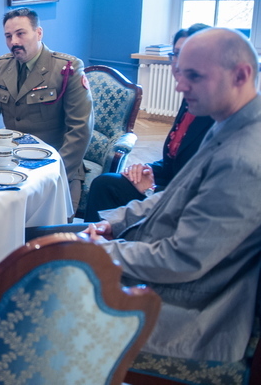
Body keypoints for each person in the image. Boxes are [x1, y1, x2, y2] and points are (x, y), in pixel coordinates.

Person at [35, 28, 261, 362]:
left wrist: (99, 251)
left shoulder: (244, 160)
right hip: (155, 262)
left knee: (34, 286)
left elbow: (182, 261)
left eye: (194, 76)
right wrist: (114, 224)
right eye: (180, 73)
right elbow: (175, 193)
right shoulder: (228, 122)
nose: (180, 86)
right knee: (34, 240)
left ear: (241, 75)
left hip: (183, 308)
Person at [84, 23, 213, 221]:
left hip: (186, 200)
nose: (178, 63)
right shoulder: (189, 100)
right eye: (176, 54)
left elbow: (203, 193)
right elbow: (174, 160)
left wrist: (150, 190)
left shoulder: (219, 115)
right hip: (170, 181)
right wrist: (146, 169)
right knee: (104, 183)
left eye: (190, 54)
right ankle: (96, 238)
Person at [0, 8, 93, 209]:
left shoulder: (67, 69)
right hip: (10, 163)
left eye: (20, 33)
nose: (14, 42)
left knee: (51, 225)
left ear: (38, 33)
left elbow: (80, 130)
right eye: (8, 36)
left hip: (56, 164)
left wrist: (55, 173)